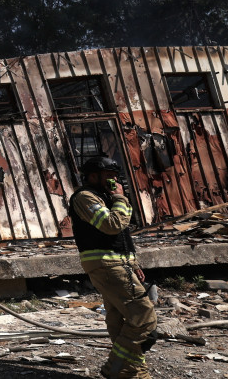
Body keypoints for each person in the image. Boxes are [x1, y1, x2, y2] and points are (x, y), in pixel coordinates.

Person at [70, 156, 157, 379]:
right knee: (143, 316)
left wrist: (133, 262)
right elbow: (112, 225)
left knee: (120, 321)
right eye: (109, 176)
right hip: (106, 265)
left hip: (120, 263)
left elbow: (122, 233)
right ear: (92, 176)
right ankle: (116, 368)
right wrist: (120, 198)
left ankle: (134, 374)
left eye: (115, 176)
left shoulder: (108, 198)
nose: (114, 181)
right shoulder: (85, 197)